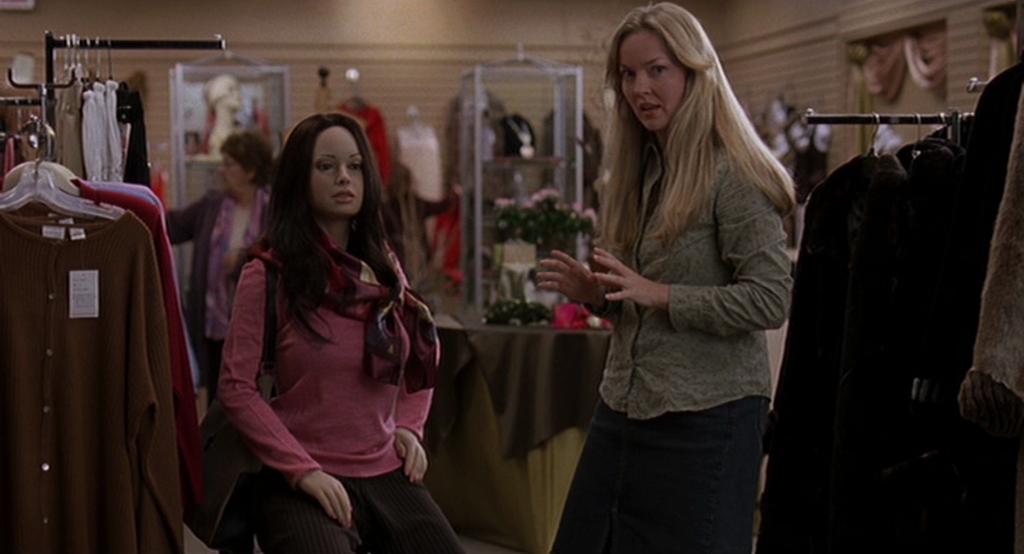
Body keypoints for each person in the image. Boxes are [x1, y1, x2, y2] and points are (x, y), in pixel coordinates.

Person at [536, 4, 795, 553]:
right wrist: (599, 295)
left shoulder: (735, 173)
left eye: (657, 70)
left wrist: (664, 296)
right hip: (624, 405)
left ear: (694, 72)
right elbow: (636, 298)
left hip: (709, 418)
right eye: (628, 75)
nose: (640, 89)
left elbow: (772, 298)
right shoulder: (639, 170)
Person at [217, 113, 465, 554]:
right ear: (299, 178)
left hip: (385, 469)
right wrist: (302, 471)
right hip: (300, 474)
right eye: (326, 166)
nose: (344, 178)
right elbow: (236, 387)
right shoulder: (269, 272)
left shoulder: (383, 267)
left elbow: (421, 352)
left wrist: (409, 426)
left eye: (354, 166)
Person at [167, 130, 274, 405]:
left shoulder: (273, 211)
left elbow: (279, 260)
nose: (222, 171)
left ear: (250, 171)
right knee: (217, 400)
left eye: (229, 164)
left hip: (257, 328)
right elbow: (171, 226)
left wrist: (241, 261)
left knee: (254, 400)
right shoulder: (212, 206)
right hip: (214, 326)